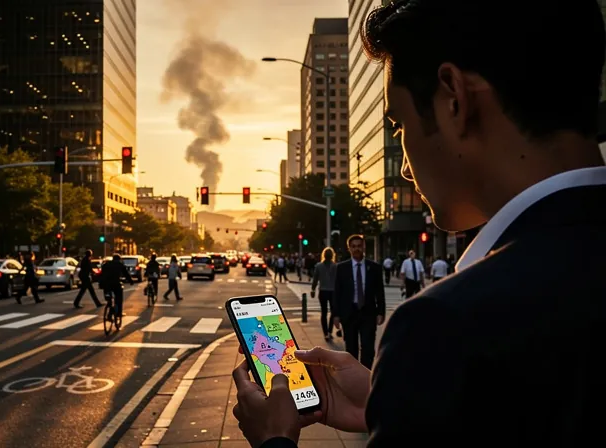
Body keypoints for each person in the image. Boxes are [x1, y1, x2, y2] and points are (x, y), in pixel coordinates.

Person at [231, 1, 606, 446]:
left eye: (400, 124)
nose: (407, 168)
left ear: (454, 99)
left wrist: (275, 439)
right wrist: (392, 402)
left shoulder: (445, 327)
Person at [332, 235, 386, 368]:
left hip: (368, 312)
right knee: (351, 348)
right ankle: (354, 374)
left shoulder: (374, 268)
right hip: (349, 313)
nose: (357, 249)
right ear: (349, 248)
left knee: (368, 348)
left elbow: (379, 291)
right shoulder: (341, 268)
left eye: (359, 246)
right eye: (353, 246)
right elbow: (337, 293)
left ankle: (366, 374)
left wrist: (381, 312)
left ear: (364, 247)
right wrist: (336, 315)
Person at [310, 247, 337, 341]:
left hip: (323, 291)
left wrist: (313, 290)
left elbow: (315, 279)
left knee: (324, 312)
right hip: (333, 291)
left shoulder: (318, 266)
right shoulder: (335, 266)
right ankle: (330, 331)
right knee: (333, 312)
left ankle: (325, 333)